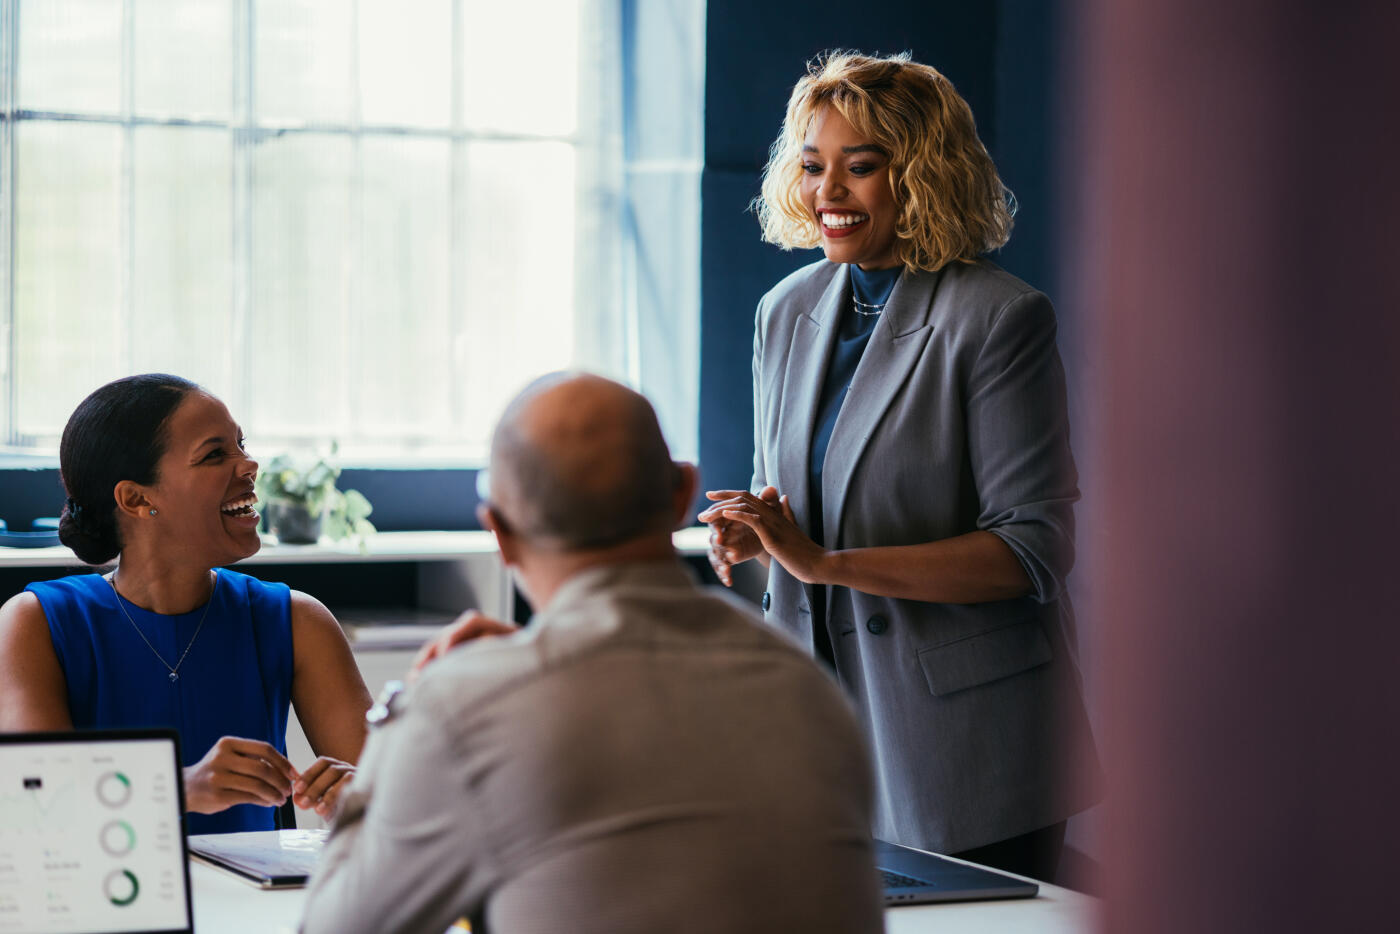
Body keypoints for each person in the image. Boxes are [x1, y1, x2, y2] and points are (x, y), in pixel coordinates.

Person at [698, 51, 1100, 880]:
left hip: (967, 750)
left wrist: (822, 562)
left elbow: (1031, 551)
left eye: (862, 167)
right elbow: (806, 503)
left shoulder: (999, 318)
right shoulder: (787, 310)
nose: (827, 193)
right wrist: (757, 538)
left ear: (923, 175)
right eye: (813, 166)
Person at [301, 373, 882, 934]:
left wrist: (401, 717)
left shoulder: (465, 711)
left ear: (498, 535)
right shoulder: (806, 687)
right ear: (683, 493)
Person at [0, 374, 372, 833]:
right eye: (215, 454)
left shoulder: (296, 620)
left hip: (261, 904)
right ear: (136, 498)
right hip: (107, 901)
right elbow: (34, 800)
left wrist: (358, 801)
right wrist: (179, 788)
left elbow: (397, 802)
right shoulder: (37, 622)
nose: (249, 464)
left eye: (241, 444)